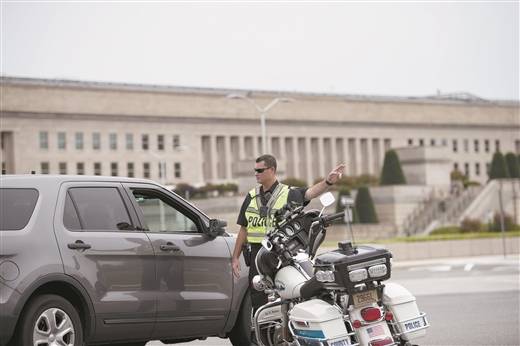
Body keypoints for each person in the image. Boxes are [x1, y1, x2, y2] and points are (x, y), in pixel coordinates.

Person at [232, 154, 346, 313]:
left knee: (287, 292)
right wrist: (235, 257)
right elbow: (243, 228)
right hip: (257, 255)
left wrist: (328, 182)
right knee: (258, 297)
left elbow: (310, 193)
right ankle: (259, 333)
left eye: (260, 170)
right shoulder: (251, 196)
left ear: (272, 170)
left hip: (282, 252)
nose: (256, 173)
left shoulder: (288, 193)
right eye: (254, 170)